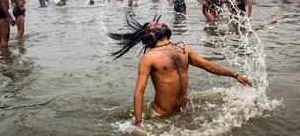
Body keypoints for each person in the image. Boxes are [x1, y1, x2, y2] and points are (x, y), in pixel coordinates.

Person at [108, 14, 253, 126]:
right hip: (160, 116)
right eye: (156, 24)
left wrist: (235, 74)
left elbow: (208, 66)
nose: (161, 23)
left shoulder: (184, 48)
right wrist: (139, 124)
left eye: (161, 23)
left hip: (184, 110)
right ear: (150, 33)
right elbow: (139, 92)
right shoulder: (149, 57)